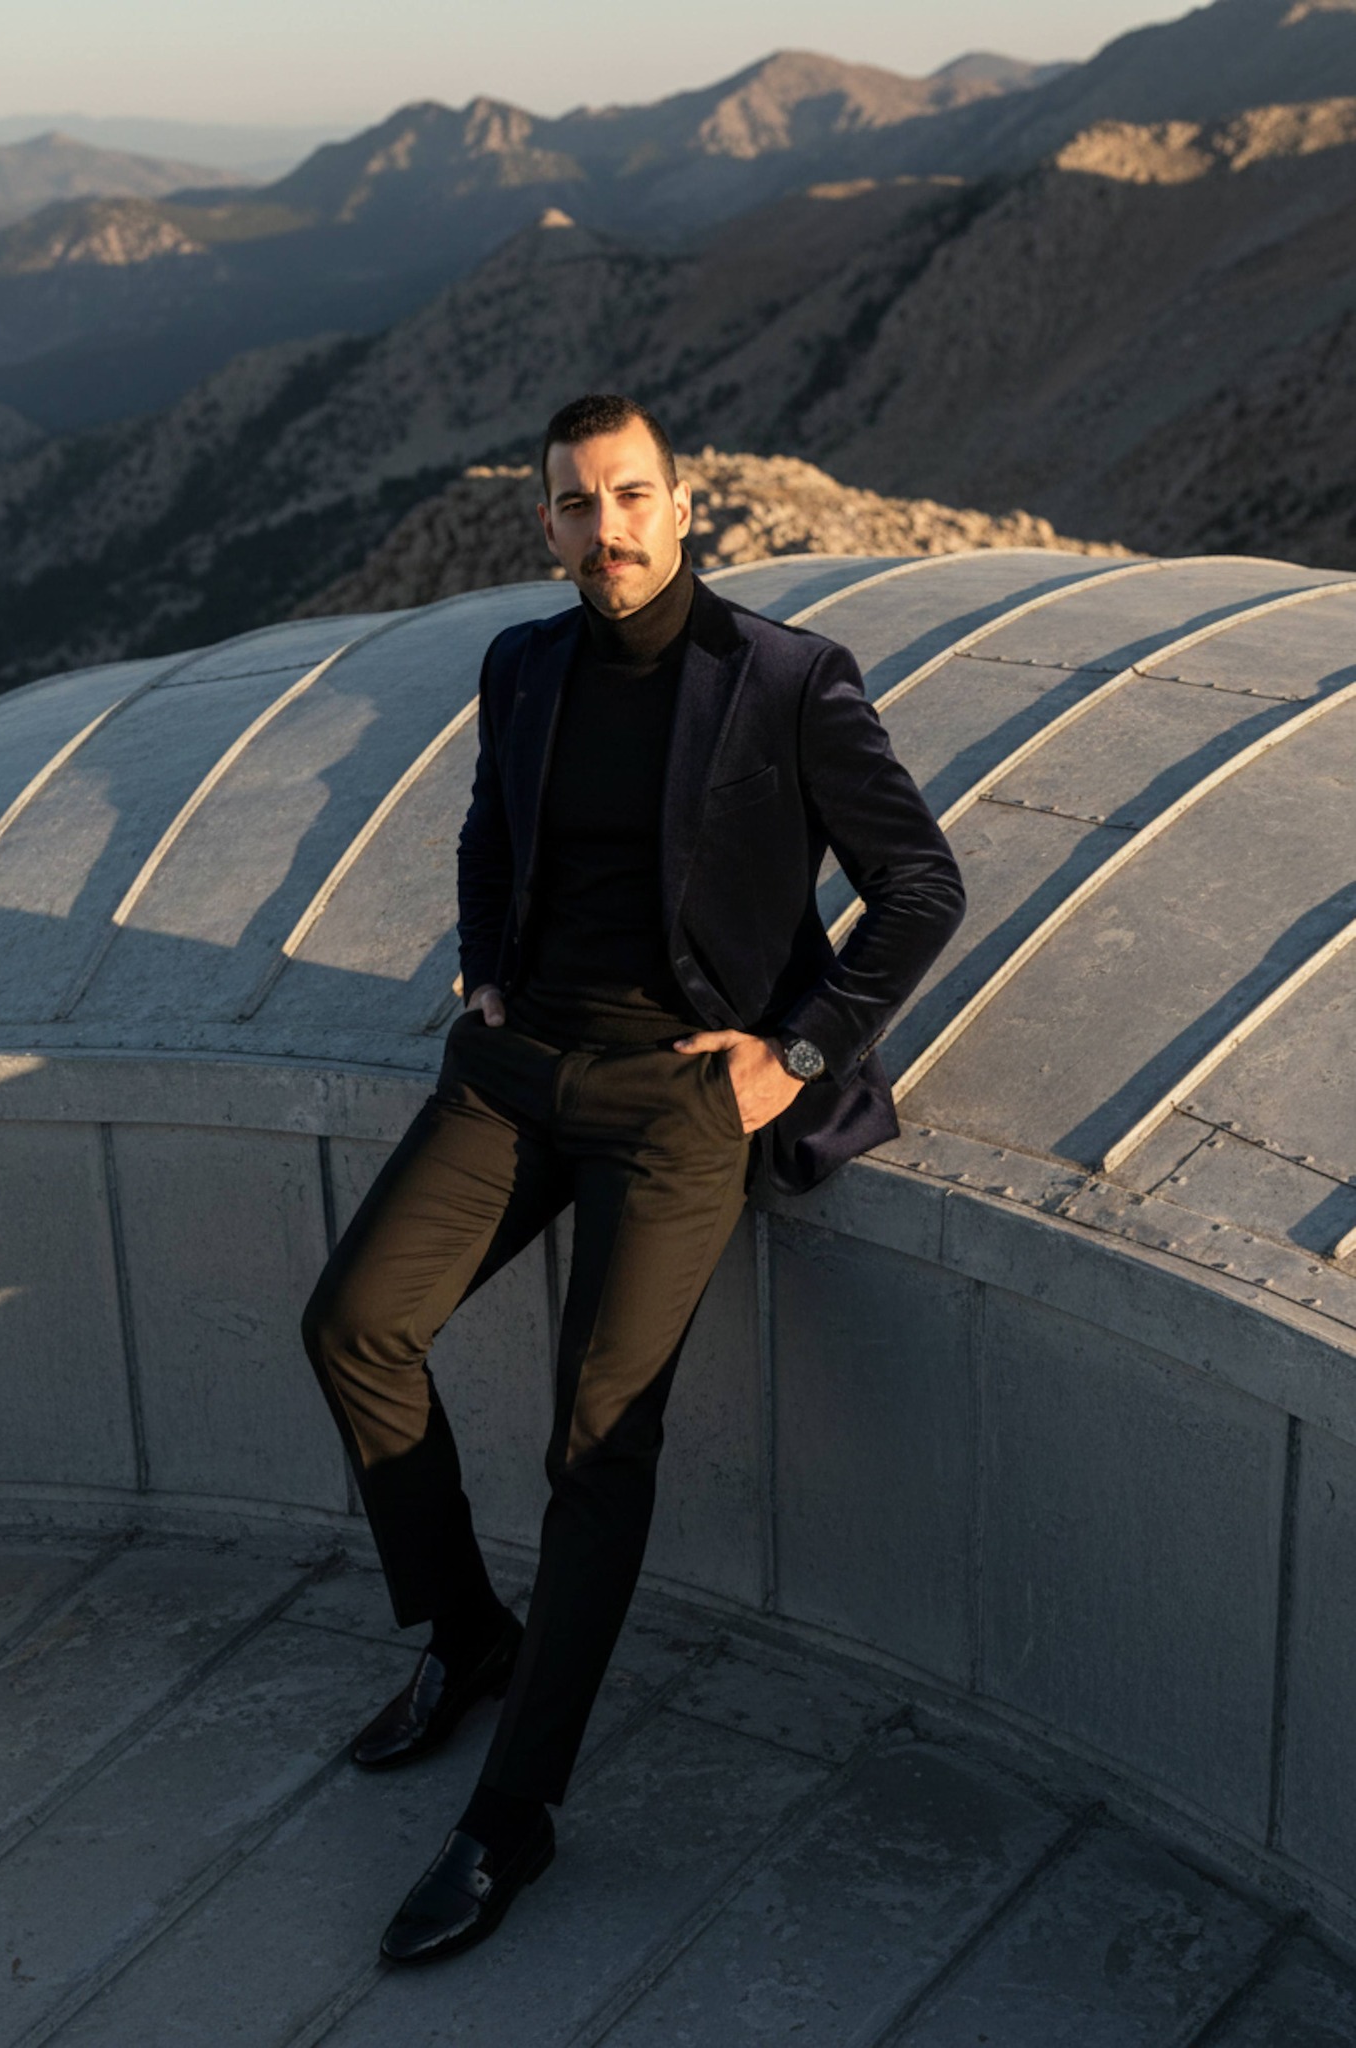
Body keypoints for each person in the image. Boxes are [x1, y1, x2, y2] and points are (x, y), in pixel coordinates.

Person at [301, 392, 965, 1965]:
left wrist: (790, 1056)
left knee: (598, 1442)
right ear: (546, 523)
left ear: (684, 509)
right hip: (519, 1069)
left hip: (681, 1102)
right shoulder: (520, 667)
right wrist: (479, 979)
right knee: (355, 1326)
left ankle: (510, 1814)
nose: (605, 530)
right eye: (575, 505)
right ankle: (469, 1639)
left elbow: (922, 883)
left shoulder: (789, 681)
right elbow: (486, 831)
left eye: (631, 498)